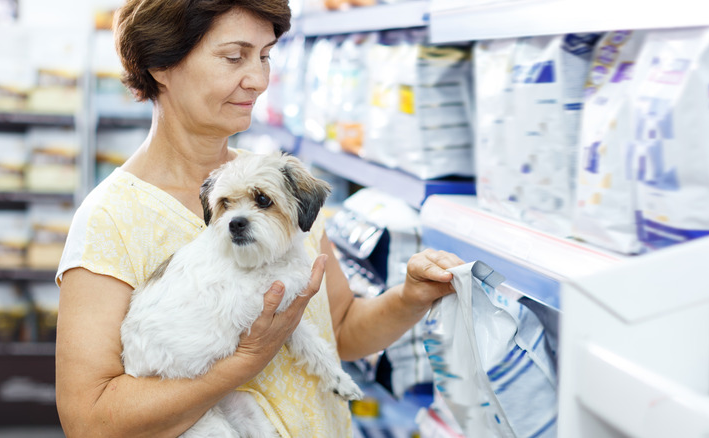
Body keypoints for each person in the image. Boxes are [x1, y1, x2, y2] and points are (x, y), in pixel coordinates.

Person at [54, 1, 464, 437]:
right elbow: (90, 420)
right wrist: (244, 361)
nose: (259, 80)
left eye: (265, 56)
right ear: (161, 65)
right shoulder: (112, 219)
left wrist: (410, 296)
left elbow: (339, 330)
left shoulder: (282, 193)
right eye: (235, 57)